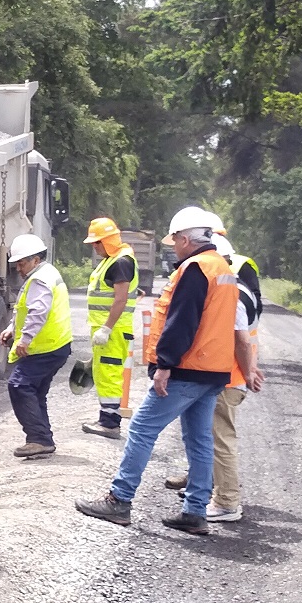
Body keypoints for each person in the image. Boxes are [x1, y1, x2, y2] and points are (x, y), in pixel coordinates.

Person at [74, 206, 240, 534]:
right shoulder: (221, 267)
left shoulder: (195, 269)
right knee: (199, 438)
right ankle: (195, 510)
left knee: (141, 430)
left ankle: (119, 500)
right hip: (214, 370)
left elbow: (183, 322)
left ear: (187, 238)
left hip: (187, 368)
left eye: (175, 239)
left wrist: (165, 364)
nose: (173, 245)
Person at [167, 228, 265, 520]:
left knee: (220, 439)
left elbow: (240, 338)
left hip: (228, 377)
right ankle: (207, 489)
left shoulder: (229, 292)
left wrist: (247, 372)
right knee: (209, 436)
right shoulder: (239, 288)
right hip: (230, 375)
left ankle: (226, 502)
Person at [0, 232, 73, 459]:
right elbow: (25, 309)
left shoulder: (39, 279)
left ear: (35, 259)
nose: (19, 269)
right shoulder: (45, 274)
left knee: (19, 385)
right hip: (55, 346)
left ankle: (38, 439)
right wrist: (13, 329)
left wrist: (25, 339)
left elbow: (38, 311)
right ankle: (43, 440)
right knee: (36, 391)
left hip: (45, 348)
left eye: (21, 263)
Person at [80, 218, 139, 439]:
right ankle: (106, 418)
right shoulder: (112, 260)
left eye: (97, 243)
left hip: (113, 331)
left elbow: (120, 300)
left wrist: (106, 328)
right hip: (108, 329)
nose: (94, 247)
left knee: (110, 375)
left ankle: (110, 424)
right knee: (103, 373)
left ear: (108, 240)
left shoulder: (121, 262)